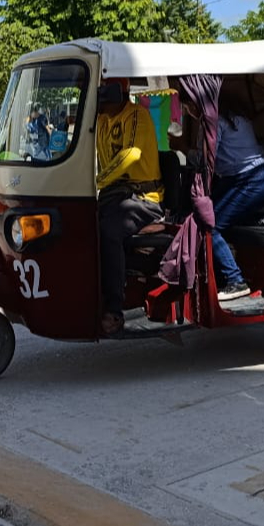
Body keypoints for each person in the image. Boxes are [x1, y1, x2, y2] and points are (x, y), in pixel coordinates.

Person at [96, 80, 164, 335]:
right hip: (116, 195)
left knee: (110, 231)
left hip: (145, 198)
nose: (101, 110)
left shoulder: (136, 114)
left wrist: (98, 182)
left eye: (104, 104)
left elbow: (131, 153)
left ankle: (114, 309)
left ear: (117, 98)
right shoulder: (103, 120)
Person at [210, 91, 264, 301]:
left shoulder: (218, 122)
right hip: (259, 177)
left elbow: (208, 157)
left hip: (250, 180)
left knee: (210, 226)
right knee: (215, 215)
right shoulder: (239, 119)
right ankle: (224, 270)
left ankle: (235, 280)